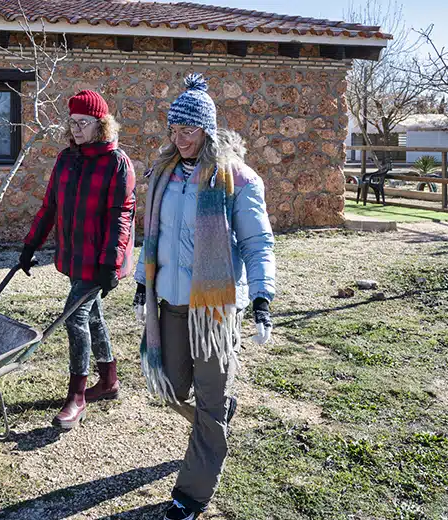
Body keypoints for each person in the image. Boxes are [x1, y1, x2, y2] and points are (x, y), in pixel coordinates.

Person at [133, 74, 276, 520]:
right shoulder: (164, 174)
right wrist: (142, 283)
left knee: (209, 405)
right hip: (170, 307)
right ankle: (219, 415)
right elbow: (152, 237)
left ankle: (191, 495)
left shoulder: (237, 179)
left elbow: (258, 243)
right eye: (174, 129)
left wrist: (262, 298)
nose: (180, 138)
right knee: (171, 388)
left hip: (213, 313)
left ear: (208, 130)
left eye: (189, 130)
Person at [20, 90, 136, 430]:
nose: (76, 130)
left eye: (83, 123)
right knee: (93, 316)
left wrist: (110, 263)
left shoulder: (117, 163)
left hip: (99, 260)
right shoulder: (66, 159)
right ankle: (110, 380)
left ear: (101, 125)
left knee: (74, 318)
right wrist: (31, 245)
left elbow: (122, 217)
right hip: (74, 254)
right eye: (72, 123)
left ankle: (78, 396)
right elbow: (50, 206)